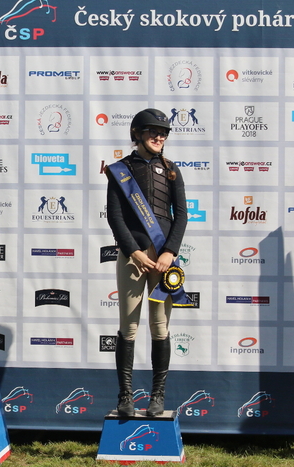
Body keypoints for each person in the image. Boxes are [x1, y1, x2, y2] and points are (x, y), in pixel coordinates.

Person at [105, 108, 188, 417]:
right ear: (137, 133)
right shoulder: (120, 170)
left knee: (160, 326)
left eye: (163, 133)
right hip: (133, 259)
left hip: (164, 261)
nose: (159, 137)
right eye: (153, 131)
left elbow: (182, 215)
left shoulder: (172, 170)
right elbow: (115, 217)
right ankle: (125, 396)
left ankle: (157, 396)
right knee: (128, 327)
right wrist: (134, 252)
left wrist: (169, 252)